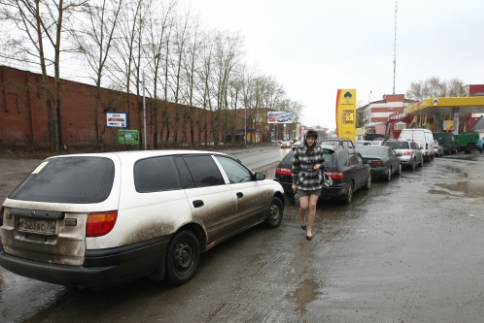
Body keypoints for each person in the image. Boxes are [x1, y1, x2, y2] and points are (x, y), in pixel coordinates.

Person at [291, 129, 325, 240]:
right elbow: (295, 167)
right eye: (309, 138)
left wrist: (319, 166)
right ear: (306, 138)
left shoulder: (319, 149)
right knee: (303, 206)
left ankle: (309, 230)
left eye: (313, 138)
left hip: (316, 181)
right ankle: (302, 219)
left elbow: (323, 162)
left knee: (312, 205)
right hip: (303, 182)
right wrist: (294, 182)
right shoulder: (299, 150)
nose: (311, 140)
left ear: (315, 139)